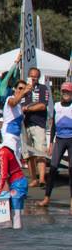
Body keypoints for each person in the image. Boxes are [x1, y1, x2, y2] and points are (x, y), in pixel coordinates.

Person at [38, 80, 72, 209]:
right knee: (52, 169)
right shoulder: (57, 106)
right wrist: (51, 143)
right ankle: (46, 198)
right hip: (59, 140)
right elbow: (53, 126)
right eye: (64, 91)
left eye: (68, 91)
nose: (65, 93)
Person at [0, 128, 28, 229]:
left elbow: (3, 174)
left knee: (15, 214)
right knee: (10, 213)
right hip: (12, 183)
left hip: (18, 183)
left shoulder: (3, 152)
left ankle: (17, 238)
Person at [21, 67, 50, 188]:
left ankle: (42, 178)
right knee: (28, 154)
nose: (33, 78)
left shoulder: (43, 88)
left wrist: (28, 108)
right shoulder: (23, 89)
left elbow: (43, 106)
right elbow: (19, 103)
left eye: (36, 76)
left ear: (38, 77)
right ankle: (34, 179)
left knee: (41, 152)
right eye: (31, 76)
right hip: (25, 124)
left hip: (39, 124)